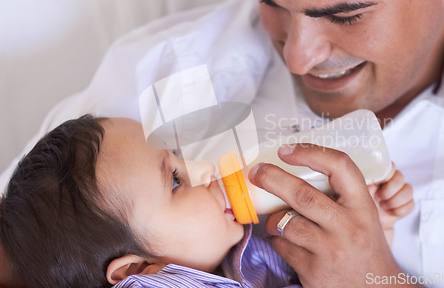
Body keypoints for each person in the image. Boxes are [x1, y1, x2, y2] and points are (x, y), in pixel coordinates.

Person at [1, 0, 444, 286]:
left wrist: (378, 271)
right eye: (271, 2)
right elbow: (32, 249)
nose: (299, 59)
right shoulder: (166, 83)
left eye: (346, 15)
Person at [0, 115, 413, 287]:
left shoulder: (247, 246)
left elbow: (346, 269)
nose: (202, 169)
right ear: (139, 271)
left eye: (179, 157)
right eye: (176, 181)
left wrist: (375, 227)